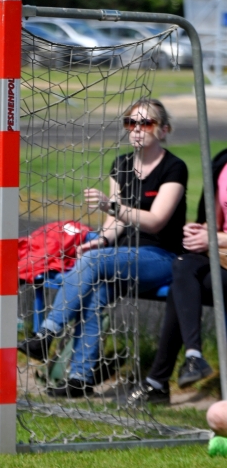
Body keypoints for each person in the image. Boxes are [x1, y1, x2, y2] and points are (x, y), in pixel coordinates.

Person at [18, 98, 187, 397]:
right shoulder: (121, 164)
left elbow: (156, 222)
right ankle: (80, 380)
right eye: (130, 123)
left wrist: (112, 208)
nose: (136, 129)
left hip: (160, 257)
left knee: (94, 262)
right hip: (121, 256)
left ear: (163, 130)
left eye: (146, 123)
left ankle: (46, 334)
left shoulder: (174, 168)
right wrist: (103, 240)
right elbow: (115, 223)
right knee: (94, 290)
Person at [128, 146, 227, 406]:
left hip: (222, 255)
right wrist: (200, 231)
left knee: (180, 289)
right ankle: (193, 356)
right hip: (221, 258)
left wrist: (214, 238)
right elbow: (215, 223)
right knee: (183, 267)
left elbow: (217, 236)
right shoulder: (223, 165)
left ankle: (158, 382)